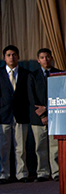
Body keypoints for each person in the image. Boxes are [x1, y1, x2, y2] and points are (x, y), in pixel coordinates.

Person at [28, 48, 61, 182]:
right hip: (38, 118)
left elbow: (61, 94)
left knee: (55, 147)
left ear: (51, 58)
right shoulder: (33, 75)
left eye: (47, 57)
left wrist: (49, 109)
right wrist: (42, 115)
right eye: (42, 57)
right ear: (38, 60)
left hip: (55, 116)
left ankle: (56, 172)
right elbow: (31, 97)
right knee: (40, 146)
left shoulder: (58, 73)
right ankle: (42, 172)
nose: (45, 60)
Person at [0, 45, 30, 183]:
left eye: (14, 55)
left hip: (21, 114)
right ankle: (3, 174)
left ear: (18, 56)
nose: (11, 57)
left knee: (21, 147)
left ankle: (22, 173)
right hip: (3, 116)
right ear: (4, 58)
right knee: (3, 147)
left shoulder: (26, 73)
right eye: (8, 55)